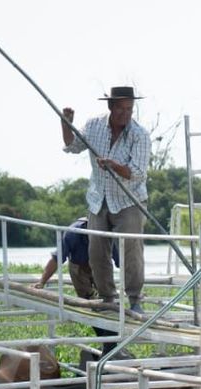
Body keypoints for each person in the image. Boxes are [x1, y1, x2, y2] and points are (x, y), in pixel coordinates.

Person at [60, 85, 151, 313]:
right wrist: (66, 124)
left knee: (131, 248)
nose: (125, 114)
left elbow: (137, 172)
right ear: (110, 107)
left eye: (129, 109)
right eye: (120, 108)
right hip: (99, 198)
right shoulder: (94, 126)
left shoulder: (139, 135)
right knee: (96, 250)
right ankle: (108, 298)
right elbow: (72, 146)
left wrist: (114, 165)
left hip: (129, 200)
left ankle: (135, 300)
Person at [33, 217, 120, 337]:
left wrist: (133, 285)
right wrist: (42, 282)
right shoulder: (72, 233)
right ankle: (105, 340)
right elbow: (57, 258)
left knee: (109, 302)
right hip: (79, 267)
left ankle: (111, 342)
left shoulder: (106, 233)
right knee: (88, 304)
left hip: (101, 264)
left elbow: (120, 260)